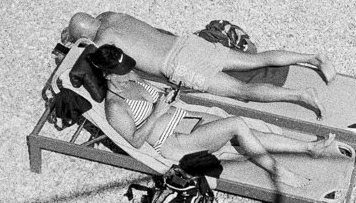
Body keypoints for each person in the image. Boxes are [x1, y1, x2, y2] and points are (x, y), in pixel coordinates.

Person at [100, 66, 338, 190]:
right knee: (236, 124)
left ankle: (309, 147)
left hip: (186, 119)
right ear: (107, 75)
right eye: (120, 75)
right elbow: (135, 141)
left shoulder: (130, 77)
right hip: (175, 143)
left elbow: (159, 97)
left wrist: (168, 98)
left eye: (127, 71)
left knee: (246, 133)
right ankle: (278, 171)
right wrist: (157, 112)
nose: (128, 77)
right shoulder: (115, 107)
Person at [67, 11, 335, 117]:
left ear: (86, 35)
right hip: (187, 44)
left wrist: (78, 45)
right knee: (256, 60)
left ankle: (301, 95)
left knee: (239, 92)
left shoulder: (102, 41)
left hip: (178, 65)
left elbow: (94, 59)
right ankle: (313, 57)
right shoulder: (113, 16)